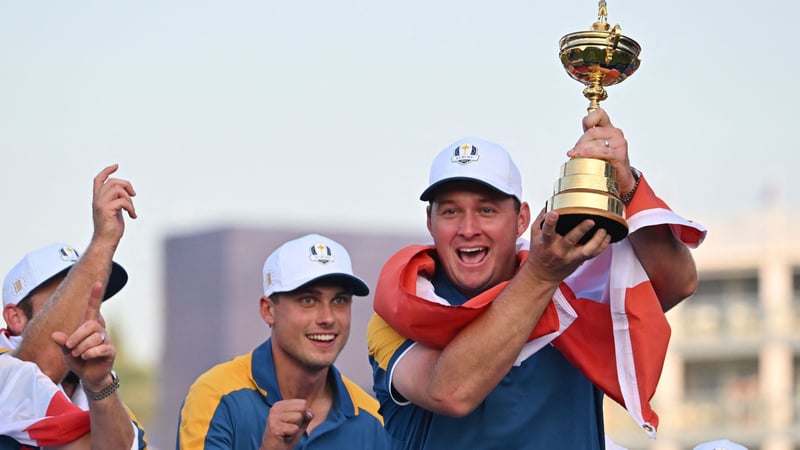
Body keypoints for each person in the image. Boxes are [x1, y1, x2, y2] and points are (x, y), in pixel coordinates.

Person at [367, 109, 707, 449]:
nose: (468, 229)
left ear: (521, 220)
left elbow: (677, 284)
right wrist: (541, 276)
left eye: (487, 210)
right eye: (450, 211)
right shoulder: (404, 310)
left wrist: (626, 186)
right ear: (430, 222)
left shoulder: (570, 289)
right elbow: (451, 392)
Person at [177, 233, 390, 450]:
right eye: (308, 300)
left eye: (339, 300)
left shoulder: (374, 421)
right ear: (268, 310)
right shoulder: (215, 396)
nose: (327, 318)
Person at [0, 164, 147, 449]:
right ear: (15, 316)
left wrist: (101, 386)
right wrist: (103, 243)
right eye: (63, 299)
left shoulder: (107, 398)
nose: (85, 313)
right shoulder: (6, 369)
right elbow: (34, 368)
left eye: (92, 295)